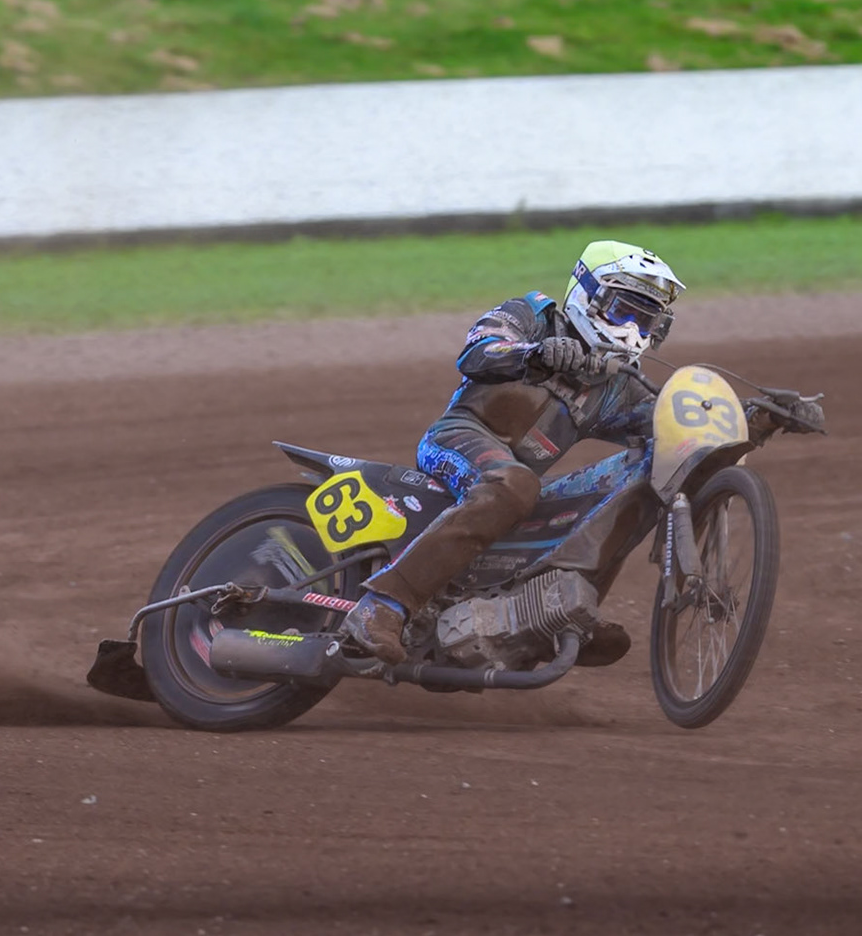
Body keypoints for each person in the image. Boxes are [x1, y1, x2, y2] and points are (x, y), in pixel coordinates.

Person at [341, 238, 820, 666]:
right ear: (584, 294)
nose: (632, 330)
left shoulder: (618, 387)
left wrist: (757, 419)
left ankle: (567, 610)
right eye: (622, 310)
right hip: (460, 437)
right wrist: (535, 352)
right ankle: (381, 606)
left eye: (646, 320)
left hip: (518, 480)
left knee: (646, 470)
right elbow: (477, 350)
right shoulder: (532, 313)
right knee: (514, 484)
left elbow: (684, 433)